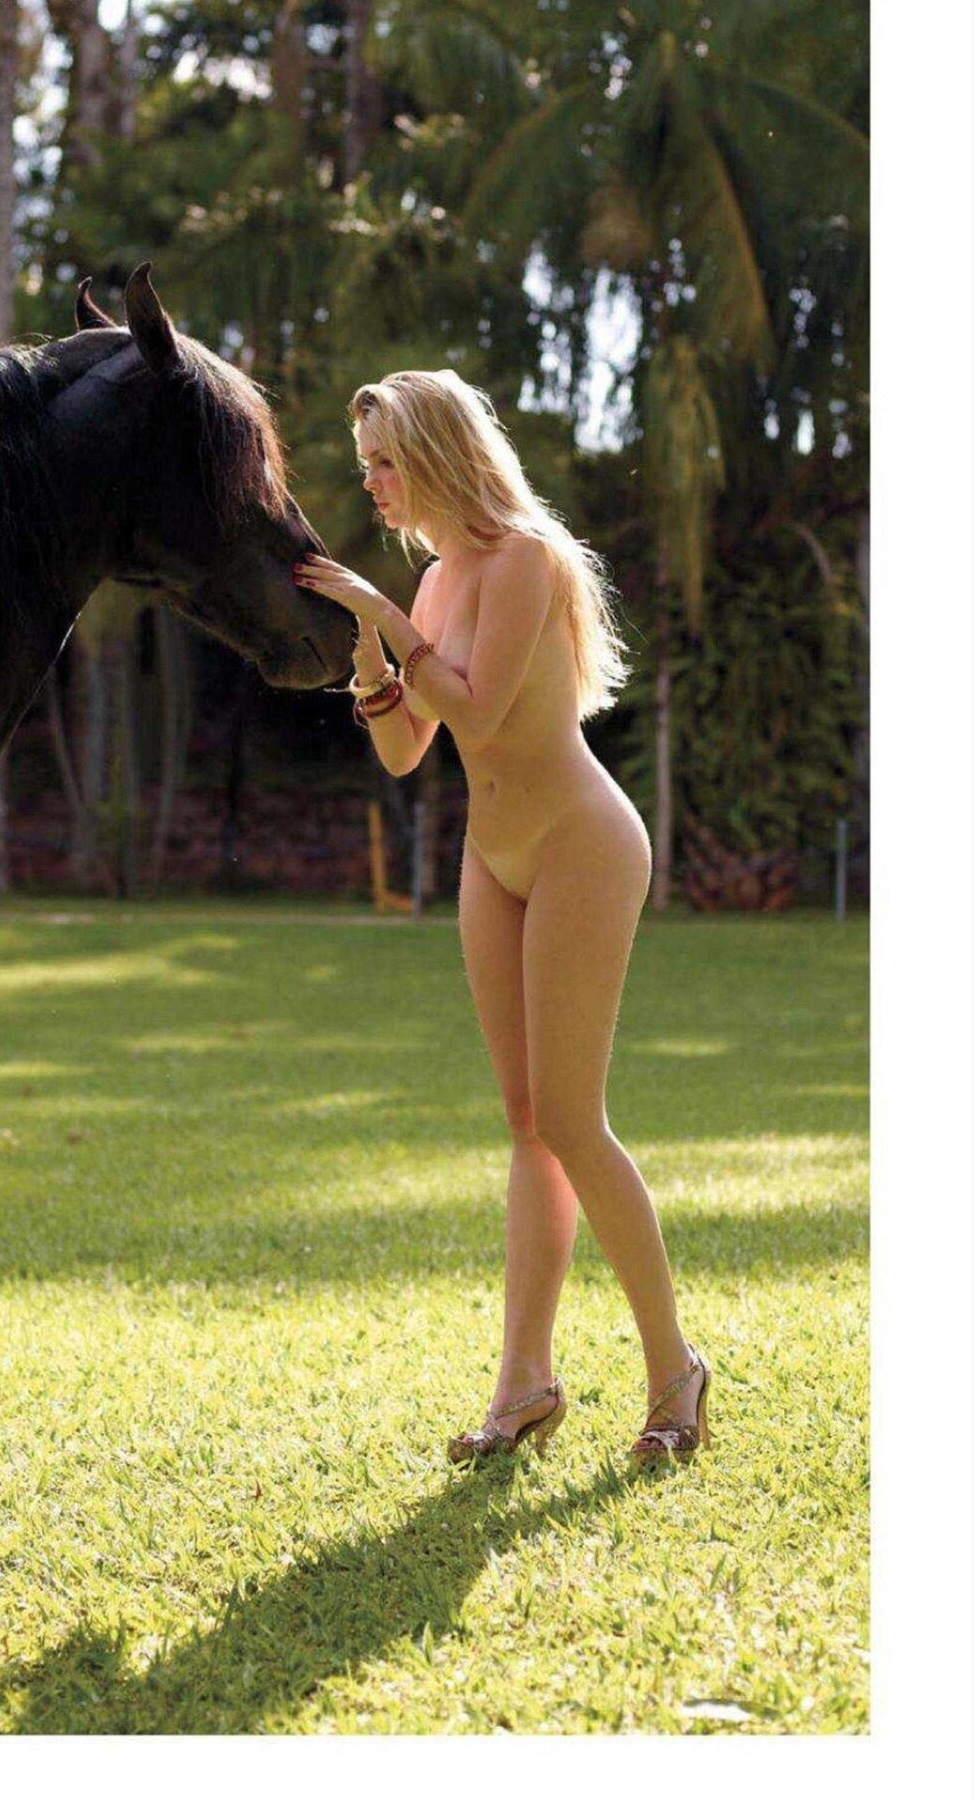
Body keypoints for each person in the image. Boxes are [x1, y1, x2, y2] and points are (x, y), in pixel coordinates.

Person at [293, 370, 710, 1468]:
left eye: (386, 461)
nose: (372, 483)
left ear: (436, 453)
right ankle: (524, 1384)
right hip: (495, 855)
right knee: (528, 1123)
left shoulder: (525, 558)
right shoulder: (434, 582)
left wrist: (387, 619)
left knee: (573, 1119)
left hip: (581, 844)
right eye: (367, 466)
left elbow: (478, 711)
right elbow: (410, 749)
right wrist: (372, 662)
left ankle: (675, 1372)